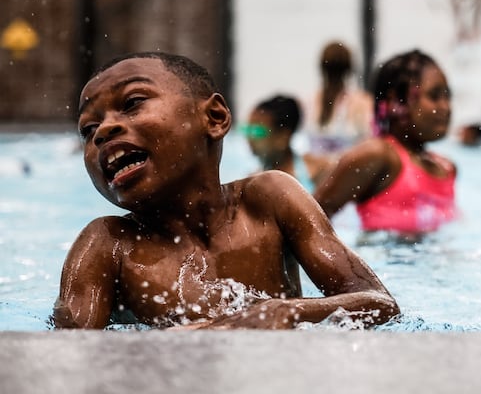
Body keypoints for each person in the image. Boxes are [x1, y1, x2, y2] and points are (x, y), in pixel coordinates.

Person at [53, 52, 399, 329]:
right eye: (88, 129)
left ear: (214, 117)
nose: (104, 131)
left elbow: (378, 303)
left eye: (132, 103)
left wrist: (282, 313)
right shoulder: (108, 246)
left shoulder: (269, 200)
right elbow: (67, 360)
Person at [313, 49, 457, 238]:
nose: (446, 107)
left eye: (447, 96)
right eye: (434, 96)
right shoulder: (378, 156)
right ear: (395, 101)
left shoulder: (446, 168)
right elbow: (307, 219)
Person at [244, 94, 334, 192]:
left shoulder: (318, 170)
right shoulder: (254, 181)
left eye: (257, 132)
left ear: (283, 137)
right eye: (248, 130)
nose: (250, 137)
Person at [307, 41, 374, 154]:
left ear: (322, 68)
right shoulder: (362, 102)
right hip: (349, 168)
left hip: (316, 170)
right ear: (350, 69)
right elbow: (370, 141)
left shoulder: (308, 102)